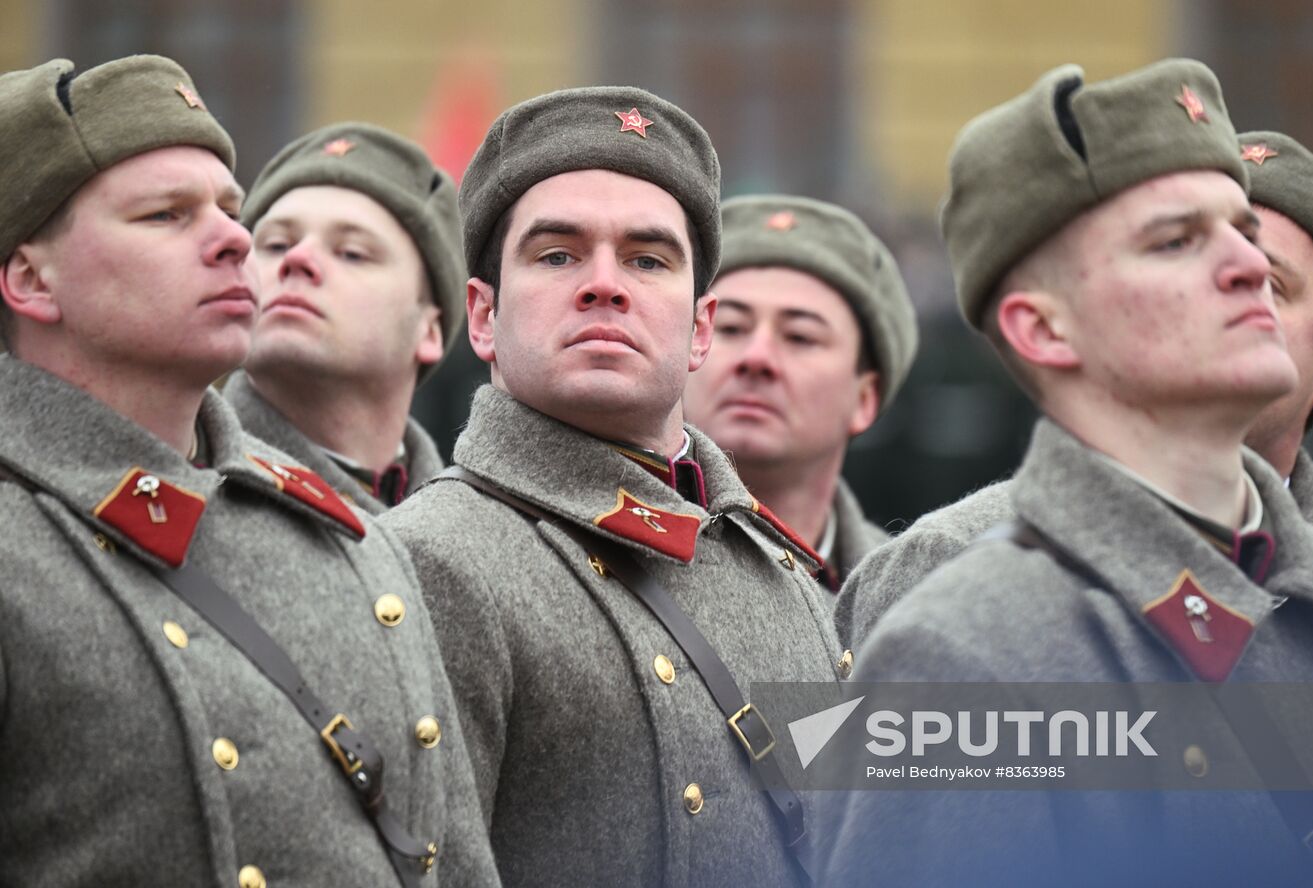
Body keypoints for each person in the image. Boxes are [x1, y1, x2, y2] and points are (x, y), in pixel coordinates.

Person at [817, 59, 1313, 886]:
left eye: (1241, 231)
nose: (1242, 268)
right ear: (1044, 330)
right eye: (1175, 242)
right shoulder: (965, 651)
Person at [0, 56, 493, 888]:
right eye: (165, 215)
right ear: (30, 277)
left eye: (231, 210)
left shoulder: (344, 538)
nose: (238, 240)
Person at [385, 86, 847, 887]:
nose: (605, 284)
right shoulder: (430, 562)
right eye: (557, 254)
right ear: (483, 316)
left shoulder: (781, 573)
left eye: (647, 259)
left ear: (701, 328)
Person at [835, 129, 1313, 650]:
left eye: (1269, 283)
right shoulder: (952, 561)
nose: (1221, 293)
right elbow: (832, 751)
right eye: (1181, 257)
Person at [682, 195, 918, 593]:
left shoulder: (907, 598)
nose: (757, 358)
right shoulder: (598, 554)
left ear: (865, 399)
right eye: (732, 328)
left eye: (800, 337)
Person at [224, 122, 463, 512]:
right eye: (275, 244)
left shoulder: (471, 530)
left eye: (352, 252)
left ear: (429, 331)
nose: (297, 258)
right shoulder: (184, 493)